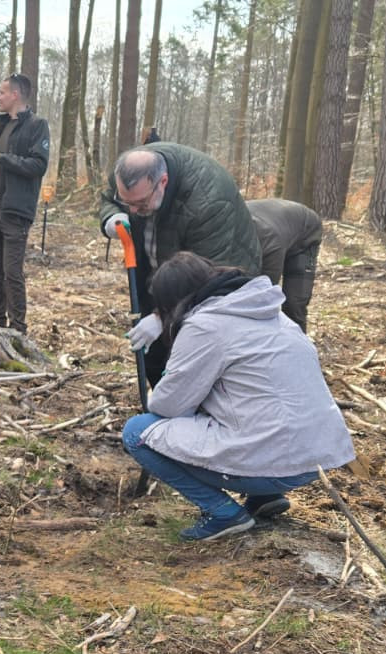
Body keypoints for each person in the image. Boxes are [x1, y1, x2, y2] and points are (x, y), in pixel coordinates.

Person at [121, 252, 354, 541]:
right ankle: (265, 496)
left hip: (278, 462)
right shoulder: (269, 312)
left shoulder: (204, 326)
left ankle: (223, 513)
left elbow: (169, 406)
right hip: (316, 456)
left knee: (137, 431)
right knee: (246, 405)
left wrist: (165, 388)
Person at [101, 144, 260, 385]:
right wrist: (112, 217)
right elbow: (107, 198)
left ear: (162, 182)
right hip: (161, 274)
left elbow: (209, 278)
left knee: (194, 354)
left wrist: (161, 319)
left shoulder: (208, 202)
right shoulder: (128, 174)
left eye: (140, 203)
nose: (132, 210)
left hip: (216, 282)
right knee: (153, 355)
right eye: (126, 203)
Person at [0, 74, 50, 332]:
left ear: (15, 95)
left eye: (2, 92)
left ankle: (18, 332)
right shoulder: (1, 127)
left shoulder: (37, 126)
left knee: (12, 273)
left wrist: (0, 158)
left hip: (15, 212)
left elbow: (38, 165)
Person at [248, 198, 322, 332]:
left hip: (305, 234)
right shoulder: (222, 230)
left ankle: (296, 341)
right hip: (277, 224)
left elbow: (266, 292)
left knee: (294, 303)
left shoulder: (269, 243)